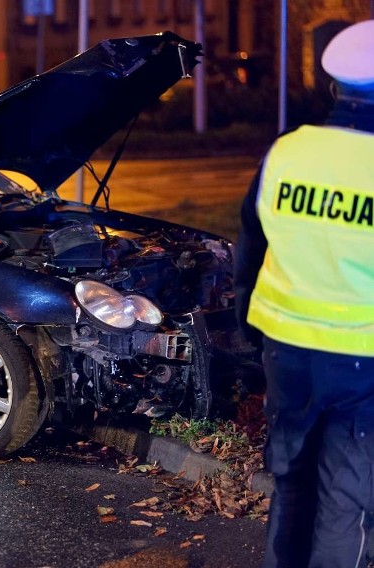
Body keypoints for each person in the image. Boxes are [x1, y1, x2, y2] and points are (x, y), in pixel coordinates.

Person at [234, 19, 374, 568]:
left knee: (291, 484)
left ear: (335, 88)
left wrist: (251, 326)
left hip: (285, 351)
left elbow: (251, 243)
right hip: (363, 361)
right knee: (348, 500)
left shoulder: (287, 153)